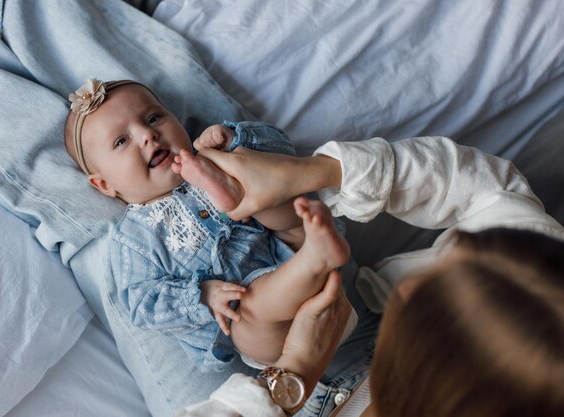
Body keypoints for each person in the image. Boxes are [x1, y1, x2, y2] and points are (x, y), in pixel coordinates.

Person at [173, 136, 564, 416]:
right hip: (351, 321)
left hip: (297, 374)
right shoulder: (545, 287)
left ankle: (310, 253)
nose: (408, 284)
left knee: (247, 314)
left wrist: (295, 371)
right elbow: (490, 189)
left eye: (424, 312)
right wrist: (319, 172)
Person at [64, 78, 357, 371]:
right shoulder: (135, 237)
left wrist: (234, 139)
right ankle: (315, 255)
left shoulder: (215, 157)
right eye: (121, 141)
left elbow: (283, 148)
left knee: (268, 193)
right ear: (103, 184)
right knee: (250, 307)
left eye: (153, 118)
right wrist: (200, 296)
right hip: (268, 334)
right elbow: (142, 305)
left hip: (297, 259)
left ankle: (304, 241)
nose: (147, 135)